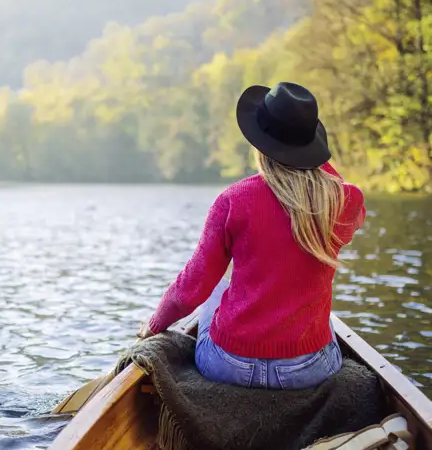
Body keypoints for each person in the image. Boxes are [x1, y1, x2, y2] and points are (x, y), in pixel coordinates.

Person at [138, 82, 366, 390]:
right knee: (321, 317)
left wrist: (156, 323)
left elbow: (193, 284)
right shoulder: (342, 201)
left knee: (217, 286)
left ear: (259, 145)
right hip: (310, 369)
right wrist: (310, 154)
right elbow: (334, 181)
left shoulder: (234, 200)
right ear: (311, 144)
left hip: (230, 366)